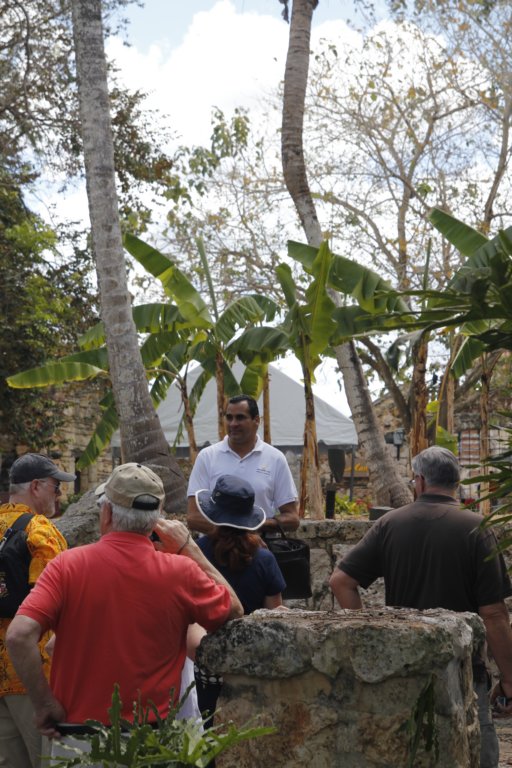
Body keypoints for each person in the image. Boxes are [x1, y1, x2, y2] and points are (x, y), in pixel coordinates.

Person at [6, 462, 243, 763]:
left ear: (106, 513)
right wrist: (190, 549)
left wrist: (44, 704)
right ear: (157, 520)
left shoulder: (66, 566)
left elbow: (18, 636)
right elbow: (235, 610)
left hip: (79, 740)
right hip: (154, 742)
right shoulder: (181, 571)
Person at [329, 445, 512, 768]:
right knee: (476, 749)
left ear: (420, 481)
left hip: (404, 667)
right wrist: (510, 679)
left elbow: (341, 581)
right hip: (465, 669)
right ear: (456, 482)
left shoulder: (390, 524)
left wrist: (369, 632)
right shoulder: (477, 529)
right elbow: (494, 614)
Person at [192, 473, 286, 748]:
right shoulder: (264, 559)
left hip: (204, 665)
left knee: (206, 736)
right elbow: (274, 614)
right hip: (251, 665)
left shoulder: (196, 553)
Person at [0, 453, 71, 768]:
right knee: (46, 760)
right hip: (32, 673)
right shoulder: (40, 531)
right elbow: (55, 604)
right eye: (56, 487)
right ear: (36, 486)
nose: (60, 495)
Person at [186, 394, 299, 534]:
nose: (233, 424)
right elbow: (193, 517)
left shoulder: (275, 458)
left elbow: (292, 519)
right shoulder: (207, 456)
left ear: (256, 420)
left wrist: (257, 526)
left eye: (240, 417)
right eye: (229, 417)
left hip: (261, 544)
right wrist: (233, 535)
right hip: (215, 545)